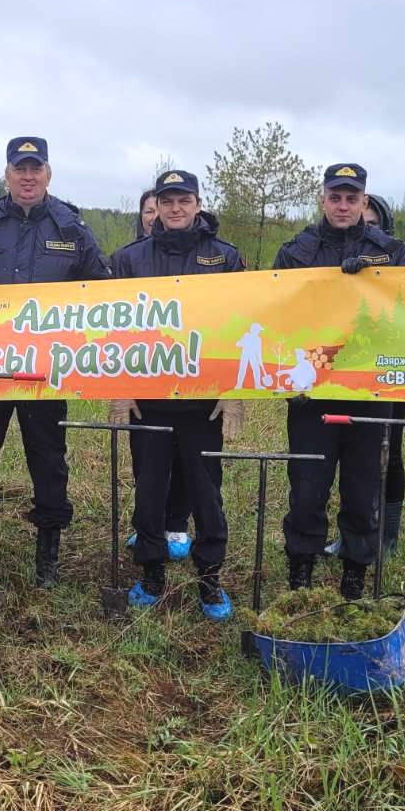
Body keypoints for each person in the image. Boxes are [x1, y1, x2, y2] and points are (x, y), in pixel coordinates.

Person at [0, 136, 112, 586]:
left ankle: (48, 551)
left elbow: (103, 292)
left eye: (36, 168)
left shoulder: (71, 228)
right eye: (20, 168)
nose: (28, 176)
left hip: (45, 373)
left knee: (49, 461)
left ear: (48, 174)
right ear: (7, 175)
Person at [274, 164, 405, 598]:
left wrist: (374, 283)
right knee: (307, 489)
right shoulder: (296, 251)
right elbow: (274, 311)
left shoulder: (391, 252)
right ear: (322, 199)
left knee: (362, 491)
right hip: (312, 394)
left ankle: (354, 577)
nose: (342, 205)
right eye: (335, 197)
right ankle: (301, 575)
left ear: (364, 202)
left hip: (369, 393)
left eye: (351, 198)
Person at [109, 169, 244, 619]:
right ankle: (151, 572)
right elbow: (117, 331)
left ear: (198, 203)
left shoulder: (224, 258)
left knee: (207, 492)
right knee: (149, 491)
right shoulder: (130, 260)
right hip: (148, 400)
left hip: (203, 404)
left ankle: (210, 579)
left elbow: (236, 326)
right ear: (157, 207)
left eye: (184, 200)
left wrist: (232, 392)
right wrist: (122, 391)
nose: (175, 208)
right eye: (167, 201)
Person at [325, 192, 405, 558]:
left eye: (372, 223)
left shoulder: (394, 257)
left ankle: (386, 535)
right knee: (346, 462)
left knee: (388, 457)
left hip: (386, 373)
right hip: (340, 370)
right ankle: (350, 534)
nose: (365, 226)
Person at [123, 184, 193, 559]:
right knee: (147, 460)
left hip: (191, 376)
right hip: (145, 377)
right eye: (150, 210)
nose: (159, 215)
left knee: (186, 459)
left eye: (163, 207)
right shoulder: (130, 260)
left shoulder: (209, 256)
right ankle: (147, 527)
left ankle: (176, 523)